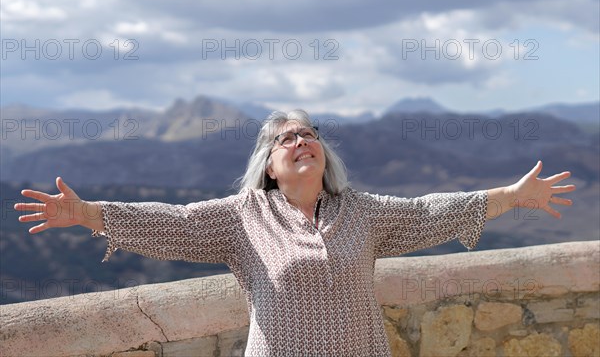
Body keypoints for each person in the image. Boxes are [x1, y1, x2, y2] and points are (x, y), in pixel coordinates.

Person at [14, 109, 575, 356]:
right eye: (286, 139)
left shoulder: (361, 211)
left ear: (324, 154)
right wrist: (88, 213)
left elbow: (432, 211)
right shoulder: (242, 216)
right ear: (269, 165)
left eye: (309, 134)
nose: (301, 140)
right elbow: (172, 224)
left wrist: (512, 197)